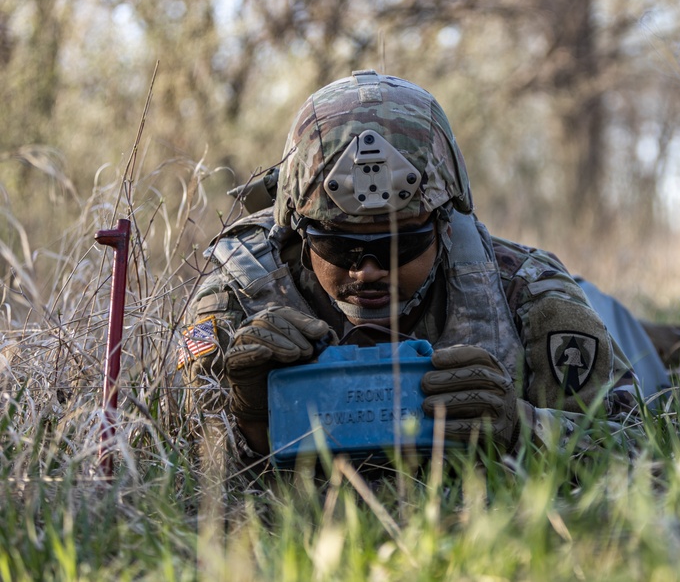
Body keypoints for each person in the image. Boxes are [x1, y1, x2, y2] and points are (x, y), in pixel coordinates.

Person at [179, 70, 650, 465]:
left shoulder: (527, 290)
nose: (367, 272)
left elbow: (631, 445)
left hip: (592, 316)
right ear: (299, 233)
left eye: (399, 245)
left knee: (644, 345)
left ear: (445, 226)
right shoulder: (237, 298)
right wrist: (249, 413)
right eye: (339, 248)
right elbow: (180, 461)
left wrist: (521, 425)